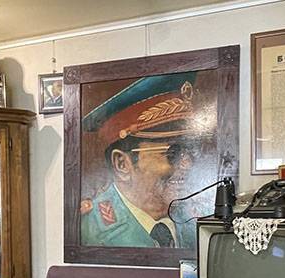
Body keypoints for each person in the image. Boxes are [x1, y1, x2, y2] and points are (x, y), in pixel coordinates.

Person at [80, 72, 206, 248]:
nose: (187, 164)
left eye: (190, 150)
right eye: (173, 153)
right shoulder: (89, 230)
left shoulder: (195, 221)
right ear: (122, 164)